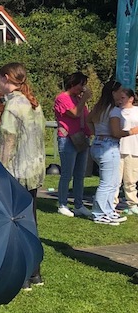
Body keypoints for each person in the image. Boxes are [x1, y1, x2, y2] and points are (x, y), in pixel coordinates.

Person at [0, 63, 46, 289]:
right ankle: (35, 272)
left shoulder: (13, 106)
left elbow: (7, 143)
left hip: (16, 173)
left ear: (6, 78)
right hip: (34, 170)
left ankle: (21, 275)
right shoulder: (33, 103)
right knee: (30, 222)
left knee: (15, 224)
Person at [88, 81, 138, 225]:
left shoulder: (100, 107)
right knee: (108, 183)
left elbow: (89, 120)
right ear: (113, 93)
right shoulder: (114, 110)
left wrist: (96, 132)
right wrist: (132, 131)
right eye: (120, 91)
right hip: (109, 147)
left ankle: (108, 211)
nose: (122, 94)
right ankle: (99, 213)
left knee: (113, 181)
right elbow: (116, 132)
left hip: (98, 144)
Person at [54, 72, 93, 218]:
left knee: (80, 174)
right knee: (67, 174)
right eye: (80, 84)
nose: (82, 88)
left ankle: (78, 204)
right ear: (72, 83)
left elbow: (85, 116)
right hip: (68, 138)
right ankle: (62, 204)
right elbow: (75, 113)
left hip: (82, 138)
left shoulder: (78, 99)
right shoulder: (62, 98)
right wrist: (83, 99)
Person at [119, 88, 138, 216]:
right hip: (118, 148)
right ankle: (112, 203)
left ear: (131, 99)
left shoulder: (137, 111)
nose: (120, 101)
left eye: (123, 98)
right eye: (119, 98)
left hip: (133, 148)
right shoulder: (115, 111)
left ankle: (132, 204)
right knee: (115, 180)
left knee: (130, 180)